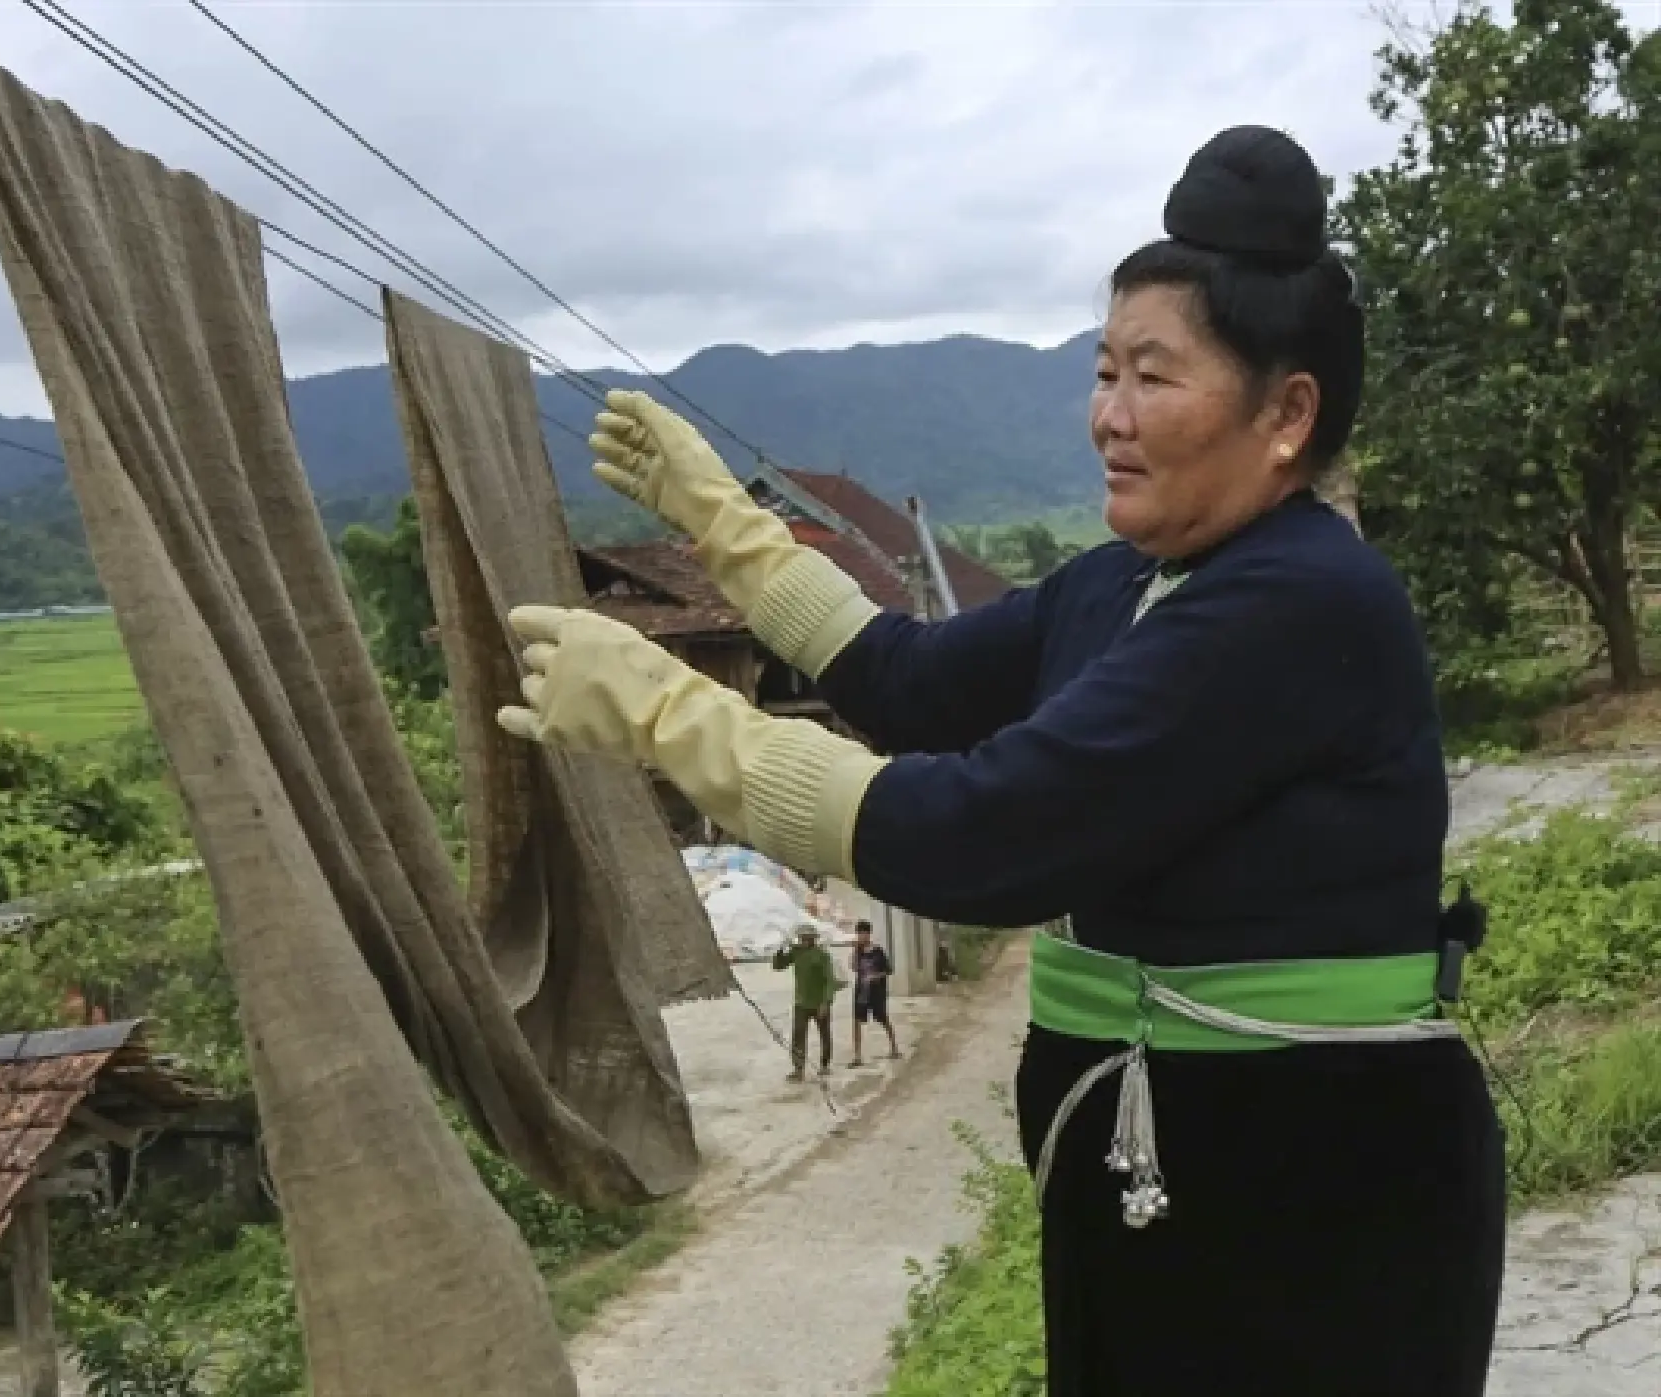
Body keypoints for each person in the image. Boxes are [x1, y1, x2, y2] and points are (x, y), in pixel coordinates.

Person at [495, 124, 1504, 1396]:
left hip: (1307, 1197)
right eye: (1101, 371)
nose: (1108, 417)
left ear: (1284, 411)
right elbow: (910, 683)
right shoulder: (1124, 581)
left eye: (1152, 377)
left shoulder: (1300, 602)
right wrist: (729, 531)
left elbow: (984, 833)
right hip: (1160, 1178)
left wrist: (678, 722)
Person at [770, 922, 836, 1081]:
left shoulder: (822, 955)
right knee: (798, 1035)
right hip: (801, 1003)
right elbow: (778, 966)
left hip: (819, 1002)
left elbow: (829, 981)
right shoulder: (796, 953)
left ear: (813, 938)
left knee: (824, 1034)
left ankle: (825, 1065)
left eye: (807, 937)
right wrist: (780, 949)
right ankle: (798, 1068)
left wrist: (826, 1002)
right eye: (802, 937)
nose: (804, 940)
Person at [847, 921, 899, 1065]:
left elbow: (888, 970)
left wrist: (876, 976)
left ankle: (894, 1047)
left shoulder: (878, 951)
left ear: (869, 934)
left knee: (883, 1018)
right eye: (859, 933)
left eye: (863, 933)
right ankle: (857, 1056)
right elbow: (854, 968)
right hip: (861, 991)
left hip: (876, 992)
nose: (861, 936)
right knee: (857, 1021)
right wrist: (855, 951)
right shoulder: (858, 951)